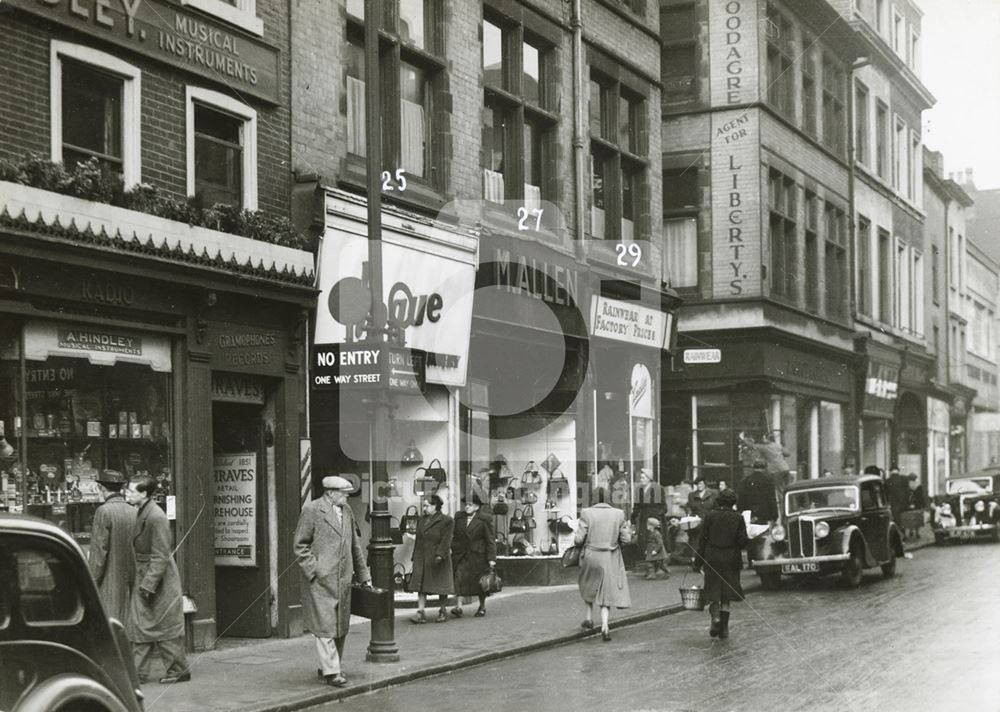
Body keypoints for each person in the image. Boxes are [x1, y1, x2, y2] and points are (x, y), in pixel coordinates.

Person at [293, 475, 371, 688]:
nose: (347, 495)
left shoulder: (347, 511)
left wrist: (364, 577)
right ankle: (332, 672)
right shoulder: (312, 510)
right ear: (329, 492)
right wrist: (314, 569)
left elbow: (355, 546)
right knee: (326, 627)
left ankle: (329, 665)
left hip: (343, 579)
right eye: (343, 492)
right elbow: (300, 545)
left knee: (340, 627)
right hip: (320, 581)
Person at [125, 476, 189, 685]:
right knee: (141, 624)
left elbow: (161, 554)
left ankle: (176, 670)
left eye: (132, 491)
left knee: (161, 626)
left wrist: (148, 585)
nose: (128, 494)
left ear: (144, 494)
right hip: (149, 576)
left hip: (157, 579)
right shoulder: (145, 512)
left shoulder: (155, 516)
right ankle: (138, 673)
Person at [575, 489, 631, 641]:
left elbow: (579, 540)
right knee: (605, 592)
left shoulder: (586, 513)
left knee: (588, 585)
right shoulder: (618, 514)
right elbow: (626, 539)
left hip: (591, 555)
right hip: (610, 557)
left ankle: (588, 618)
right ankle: (605, 626)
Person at [695, 488, 749, 640]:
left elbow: (702, 541)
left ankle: (715, 619)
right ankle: (724, 629)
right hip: (731, 559)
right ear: (733, 503)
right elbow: (742, 541)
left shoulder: (710, 516)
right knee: (726, 594)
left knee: (713, 592)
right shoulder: (738, 518)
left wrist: (697, 562)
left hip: (712, 557)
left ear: (719, 501)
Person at [89, 469, 135, 624]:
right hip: (130, 583)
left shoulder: (103, 511)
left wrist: (91, 582)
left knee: (111, 627)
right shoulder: (134, 511)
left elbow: (98, 554)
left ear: (102, 489)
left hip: (109, 583)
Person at [410, 493, 455, 623]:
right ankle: (421, 612)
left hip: (438, 557)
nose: (424, 508)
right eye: (423, 505)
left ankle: (442, 610)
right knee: (421, 585)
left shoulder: (447, 521)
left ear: (435, 506)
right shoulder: (421, 520)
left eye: (426, 505)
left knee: (441, 585)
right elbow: (418, 539)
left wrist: (440, 555)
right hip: (422, 556)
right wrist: (414, 556)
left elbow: (447, 540)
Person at [450, 493, 496, 618]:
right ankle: (459, 607)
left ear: (477, 507)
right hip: (462, 554)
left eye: (470, 505)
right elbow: (454, 536)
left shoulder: (484, 519)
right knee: (459, 578)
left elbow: (490, 540)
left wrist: (491, 558)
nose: (467, 507)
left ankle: (482, 607)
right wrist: (452, 548)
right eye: (466, 505)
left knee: (480, 582)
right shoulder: (459, 518)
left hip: (478, 555)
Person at [630, 468, 665, 560]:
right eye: (640, 478)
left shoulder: (658, 488)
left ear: (649, 478)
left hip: (655, 518)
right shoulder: (639, 489)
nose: (641, 480)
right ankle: (648, 565)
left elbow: (664, 507)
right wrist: (633, 518)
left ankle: (658, 565)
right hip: (644, 518)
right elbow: (637, 506)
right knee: (644, 541)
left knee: (655, 540)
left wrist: (657, 517)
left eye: (643, 478)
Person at [904, 473, 927, 539]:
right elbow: (921, 497)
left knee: (909, 518)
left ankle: (910, 531)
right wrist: (923, 505)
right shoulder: (919, 486)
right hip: (918, 505)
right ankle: (917, 533)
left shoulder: (907, 486)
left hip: (909, 505)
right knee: (917, 518)